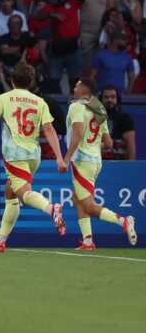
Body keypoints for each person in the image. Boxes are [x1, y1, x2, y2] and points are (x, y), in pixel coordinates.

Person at [0, 62, 67, 253]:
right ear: (31, 82)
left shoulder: (4, 98)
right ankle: (0, 239)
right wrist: (59, 157)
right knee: (11, 191)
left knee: (23, 193)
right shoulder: (39, 102)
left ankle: (52, 209)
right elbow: (50, 130)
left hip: (15, 154)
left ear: (11, 80)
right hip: (33, 155)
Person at [64, 78, 137, 250]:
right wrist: (92, 145)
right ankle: (88, 240)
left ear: (84, 89)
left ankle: (123, 221)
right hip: (96, 161)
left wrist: (66, 158)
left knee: (88, 206)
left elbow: (78, 132)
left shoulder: (76, 106)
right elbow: (109, 143)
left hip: (82, 161)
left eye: (77, 85)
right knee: (77, 199)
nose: (74, 87)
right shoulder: (99, 109)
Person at [101, 86, 137, 160]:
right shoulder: (93, 118)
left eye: (113, 97)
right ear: (101, 100)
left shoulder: (125, 118)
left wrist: (131, 167)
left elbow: (131, 146)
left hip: (118, 163)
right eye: (106, 97)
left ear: (117, 99)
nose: (109, 100)